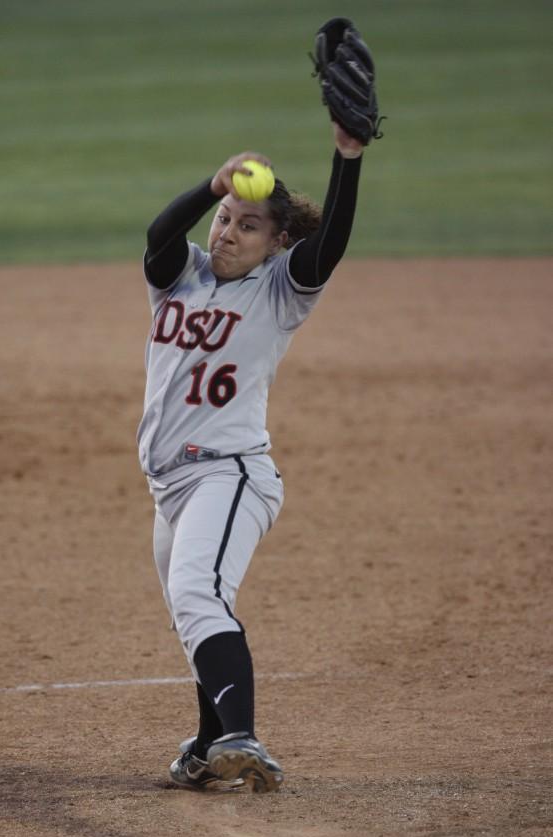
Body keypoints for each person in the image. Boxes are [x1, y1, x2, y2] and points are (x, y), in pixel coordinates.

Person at [138, 121, 364, 792]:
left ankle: (241, 735)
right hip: (170, 489)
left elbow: (331, 246)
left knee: (197, 592)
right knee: (193, 611)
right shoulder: (180, 278)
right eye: (225, 219)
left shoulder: (280, 291)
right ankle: (210, 744)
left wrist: (346, 157)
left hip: (228, 474)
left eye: (248, 226)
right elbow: (159, 236)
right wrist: (212, 187)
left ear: (278, 243)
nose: (227, 233)